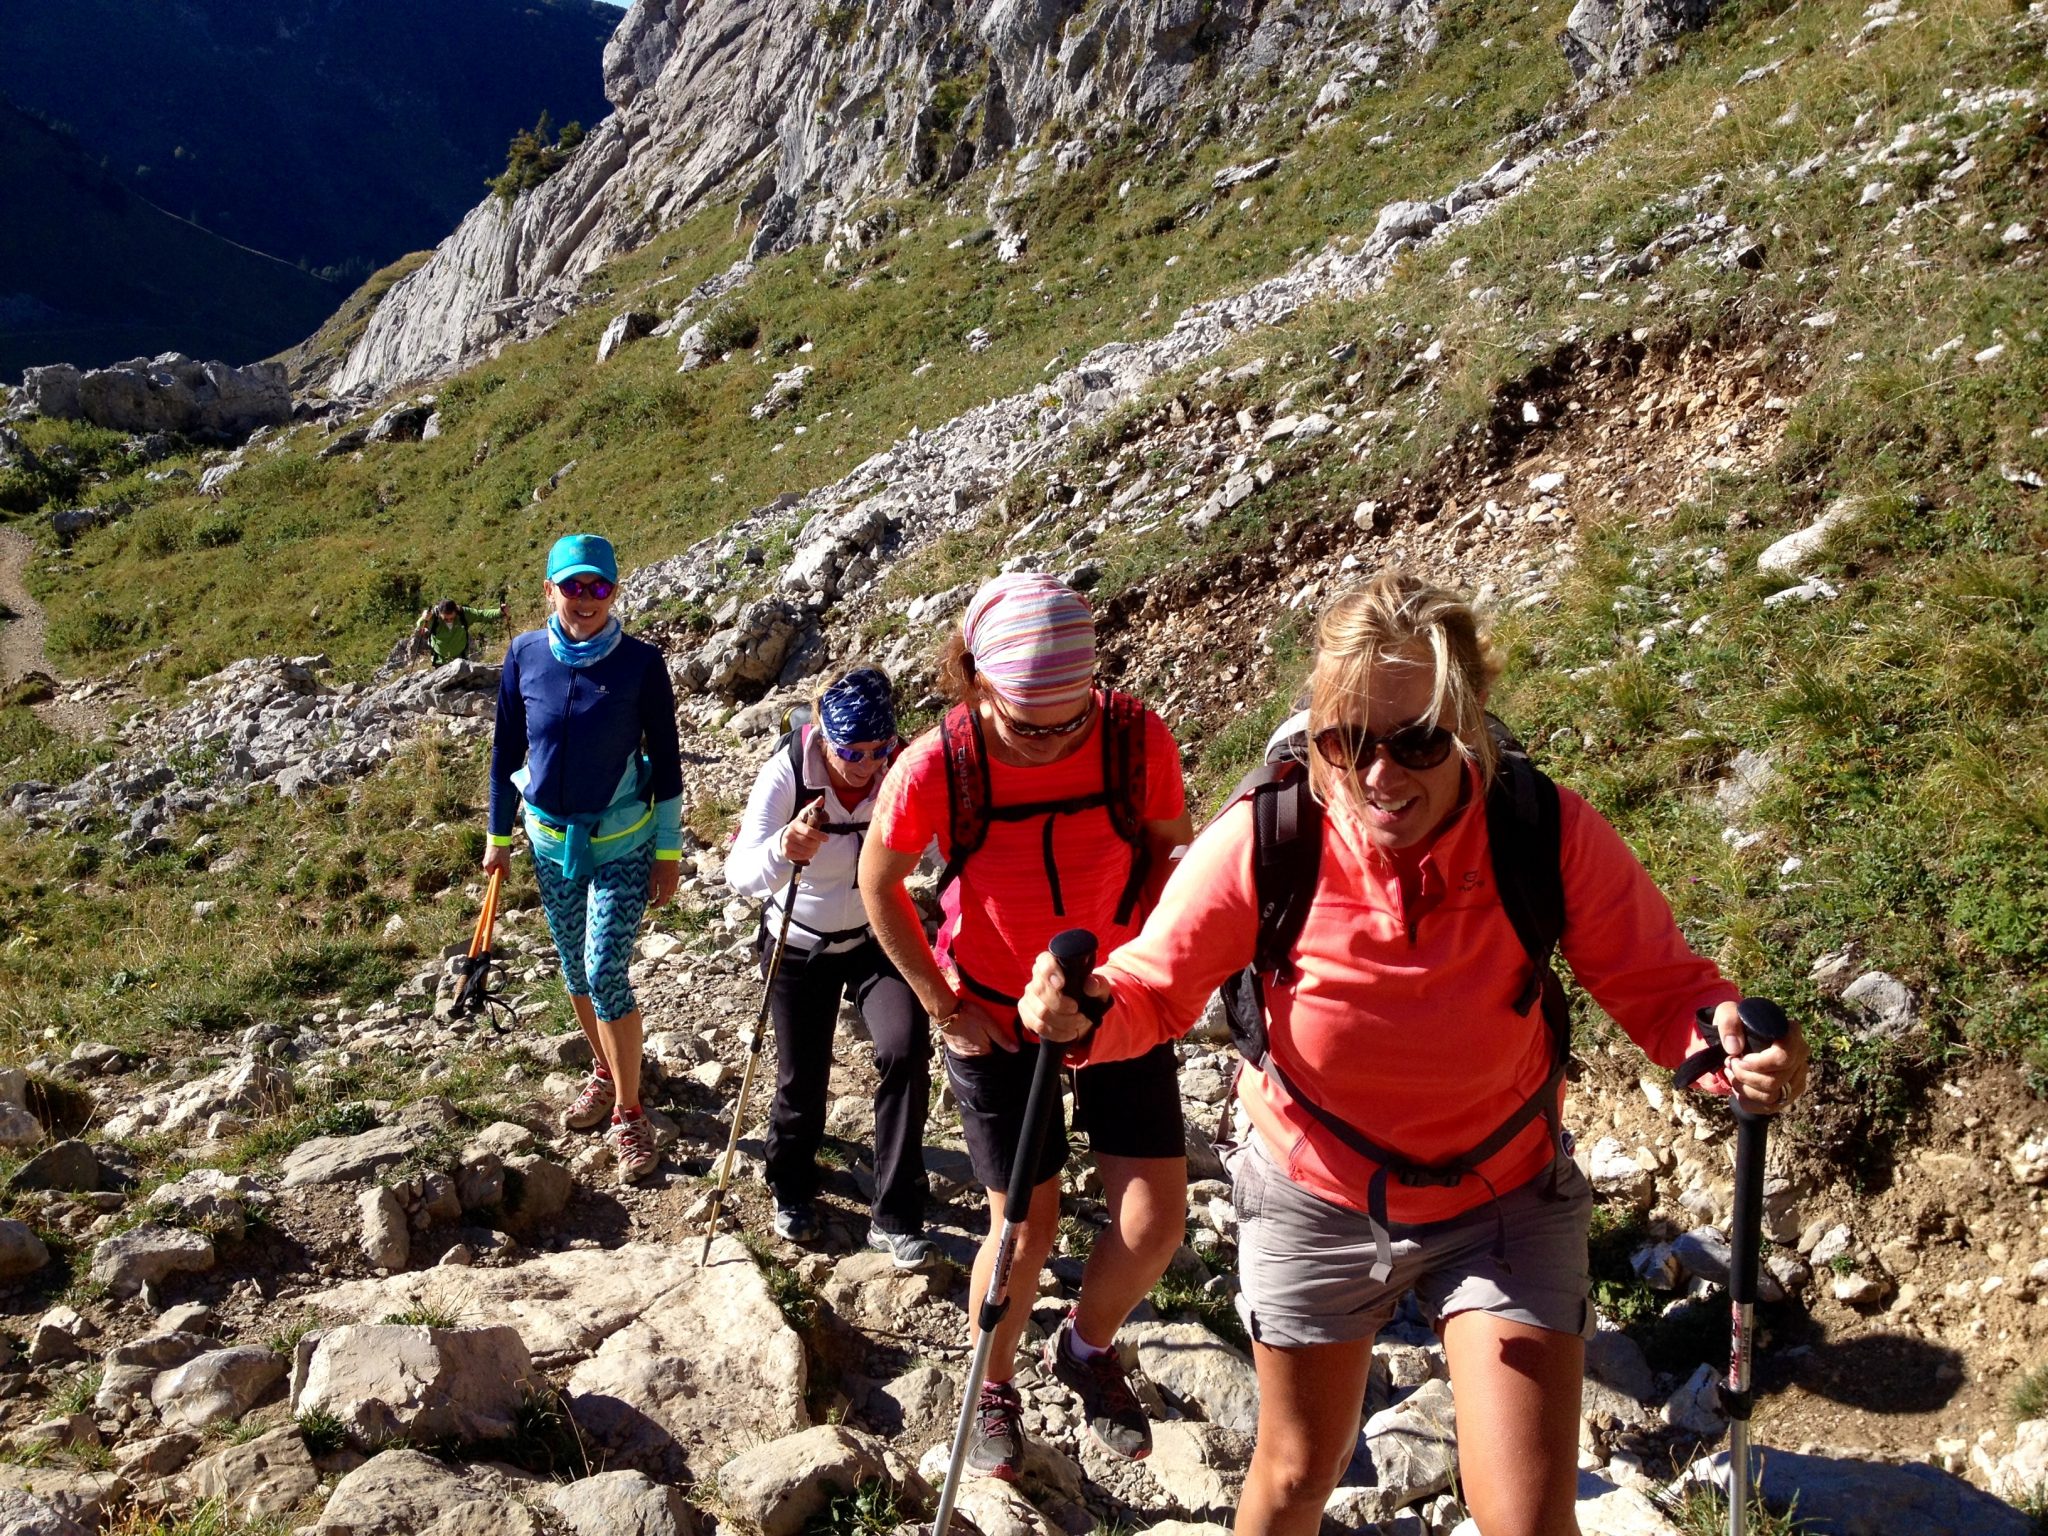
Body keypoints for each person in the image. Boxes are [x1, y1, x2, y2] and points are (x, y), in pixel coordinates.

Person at [1016, 569, 1811, 1536]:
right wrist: (1085, 1013)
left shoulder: (1539, 831)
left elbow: (1662, 985)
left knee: (1524, 1518)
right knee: (1298, 1474)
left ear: (1469, 721)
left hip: (1504, 1199)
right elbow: (1153, 985)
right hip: (1314, 1195)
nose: (1381, 776)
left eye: (1419, 741)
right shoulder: (1270, 837)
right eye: (1347, 742)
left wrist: (1725, 1044)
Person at [860, 572, 1195, 1478]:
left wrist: (1148, 973)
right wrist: (946, 1006)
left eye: (1070, 721)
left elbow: (1172, 850)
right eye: (1028, 725)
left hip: (1114, 996)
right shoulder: (938, 761)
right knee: (1024, 1228)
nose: (1052, 744)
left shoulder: (1131, 735)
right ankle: (996, 1380)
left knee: (1157, 1218)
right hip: (997, 1013)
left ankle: (1085, 1350)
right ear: (975, 679)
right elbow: (878, 885)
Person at [484, 534, 684, 1184]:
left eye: (599, 586)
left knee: (604, 971)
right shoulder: (523, 656)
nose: (586, 598)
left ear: (615, 592)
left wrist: (669, 852)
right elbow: (504, 754)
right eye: (572, 585)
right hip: (548, 844)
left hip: (624, 841)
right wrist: (498, 839)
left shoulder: (641, 665)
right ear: (550, 590)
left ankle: (629, 1112)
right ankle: (604, 1069)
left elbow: (671, 766)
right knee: (573, 968)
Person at [726, 666, 938, 1268]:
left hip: (877, 935)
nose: (864, 764)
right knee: (803, 1075)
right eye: (850, 750)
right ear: (822, 734)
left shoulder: (899, 770)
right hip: (798, 939)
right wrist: (781, 850)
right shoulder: (786, 774)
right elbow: (739, 875)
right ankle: (791, 1187)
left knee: (905, 1048)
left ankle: (896, 1216)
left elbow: (941, 841)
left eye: (877, 750)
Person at [417, 597, 504, 665]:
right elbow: (419, 625)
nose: (449, 620)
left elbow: (481, 614)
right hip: (440, 660)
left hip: (461, 658)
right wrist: (424, 617)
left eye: (452, 618)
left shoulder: (463, 614)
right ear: (439, 613)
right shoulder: (433, 618)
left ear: (456, 611)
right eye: (446, 619)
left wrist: (500, 611)